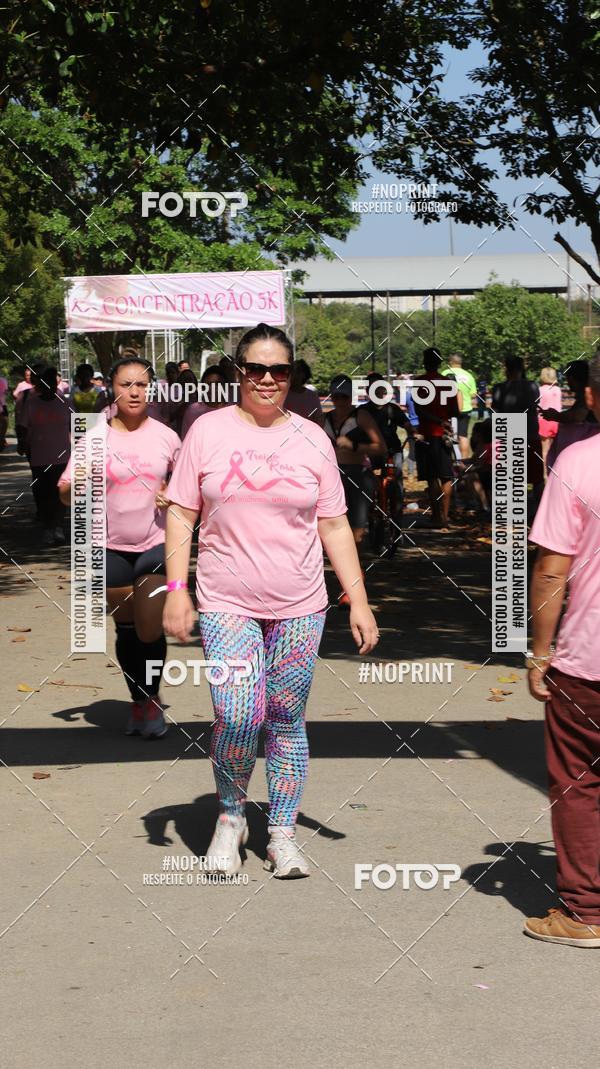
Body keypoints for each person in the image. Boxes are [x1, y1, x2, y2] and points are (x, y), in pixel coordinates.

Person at [163, 323, 379, 879]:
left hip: (301, 602)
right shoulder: (206, 432)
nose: (266, 379)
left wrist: (357, 599)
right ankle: (231, 818)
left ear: (291, 376)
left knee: (285, 717)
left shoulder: (312, 438)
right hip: (225, 598)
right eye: (255, 369)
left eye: (278, 371)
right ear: (238, 372)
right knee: (236, 715)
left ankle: (281, 832)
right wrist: (178, 591)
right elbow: (182, 514)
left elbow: (332, 524)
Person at [58, 355, 181, 738]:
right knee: (126, 631)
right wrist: (75, 487)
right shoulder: (94, 437)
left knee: (148, 630)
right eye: (126, 384)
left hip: (155, 544)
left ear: (152, 389)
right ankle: (139, 702)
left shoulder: (166, 437)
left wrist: (171, 496)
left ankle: (153, 697)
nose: (133, 391)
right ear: (112, 387)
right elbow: (64, 493)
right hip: (108, 546)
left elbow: (190, 490)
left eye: (141, 384)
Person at [524, 350, 600, 947]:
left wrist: (538, 652)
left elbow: (552, 571)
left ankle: (585, 915)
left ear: (592, 397)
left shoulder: (578, 461)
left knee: (579, 782)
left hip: (588, 661)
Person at [323, 374, 386, 570]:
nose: (340, 401)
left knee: (356, 528)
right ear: (331, 397)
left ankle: (354, 571)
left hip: (357, 472)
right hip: (331, 475)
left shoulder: (361, 416)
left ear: (351, 397)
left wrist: (354, 445)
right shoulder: (323, 418)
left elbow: (381, 447)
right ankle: (339, 566)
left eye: (344, 397)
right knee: (329, 524)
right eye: (336, 397)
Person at [21, 366, 71, 546]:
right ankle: (47, 527)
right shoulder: (32, 403)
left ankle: (56, 526)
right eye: (44, 382)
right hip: (39, 457)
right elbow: (22, 426)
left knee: (59, 492)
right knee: (42, 494)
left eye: (51, 381)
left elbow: (79, 424)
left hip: (63, 457)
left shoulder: (65, 402)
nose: (47, 385)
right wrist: (21, 442)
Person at [413, 348, 460, 530]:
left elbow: (418, 410)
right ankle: (445, 517)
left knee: (432, 477)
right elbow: (455, 410)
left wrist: (434, 418)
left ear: (424, 362)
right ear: (440, 362)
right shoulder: (448, 383)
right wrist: (443, 418)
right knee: (446, 476)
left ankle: (435, 516)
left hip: (427, 433)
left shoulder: (419, 382)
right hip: (444, 434)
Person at [492, 355, 544, 508]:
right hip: (531, 435)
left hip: (509, 436)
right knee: (537, 479)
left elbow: (496, 412)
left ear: (506, 369)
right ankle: (540, 512)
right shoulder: (533, 386)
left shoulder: (499, 388)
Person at [544, 360, 599, 468]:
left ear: (571, 378)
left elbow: (580, 415)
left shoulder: (586, 397)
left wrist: (556, 416)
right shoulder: (585, 396)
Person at [442, 354, 477, 459]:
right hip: (465, 409)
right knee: (463, 436)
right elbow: (473, 394)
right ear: (461, 363)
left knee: (448, 435)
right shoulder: (469, 375)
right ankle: (464, 461)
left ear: (451, 362)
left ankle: (448, 460)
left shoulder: (445, 373)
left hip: (448, 410)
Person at [181, 366, 231, 438]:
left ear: (226, 386)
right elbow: (186, 440)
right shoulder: (192, 411)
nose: (212, 388)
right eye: (208, 385)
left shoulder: (235, 410)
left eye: (217, 384)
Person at [537, 367, 562, 471]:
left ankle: (545, 474)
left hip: (544, 421)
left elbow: (537, 406)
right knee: (556, 449)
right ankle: (555, 471)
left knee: (544, 450)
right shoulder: (558, 389)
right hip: (557, 421)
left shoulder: (540, 390)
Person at [285, 358, 323, 424]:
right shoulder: (282, 394)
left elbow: (318, 419)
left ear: (303, 374)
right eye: (291, 372)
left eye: (296, 371)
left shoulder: (312, 396)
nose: (292, 375)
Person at [0, 373, 8, 450]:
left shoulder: (3, 380)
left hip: (2, 404)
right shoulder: (4, 380)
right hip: (2, 404)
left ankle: (2, 437)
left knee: (5, 421)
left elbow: (5, 393)